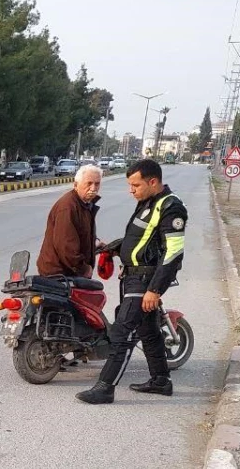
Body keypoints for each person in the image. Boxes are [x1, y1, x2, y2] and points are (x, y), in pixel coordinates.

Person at [77, 159, 188, 404]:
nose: (131, 190)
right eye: (130, 185)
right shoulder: (147, 203)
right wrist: (114, 249)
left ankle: (105, 388)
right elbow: (140, 239)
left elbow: (173, 253)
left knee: (122, 331)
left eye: (136, 185)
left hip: (146, 280)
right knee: (148, 331)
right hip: (133, 277)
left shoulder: (171, 208)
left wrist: (155, 290)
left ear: (153, 181)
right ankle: (161, 381)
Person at [36, 164, 102, 278]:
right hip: (59, 274)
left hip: (69, 272)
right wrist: (83, 269)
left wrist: (94, 245)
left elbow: (79, 235)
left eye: (97, 184)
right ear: (76, 185)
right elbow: (66, 246)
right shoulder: (68, 207)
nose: (93, 188)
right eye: (89, 183)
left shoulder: (84, 204)